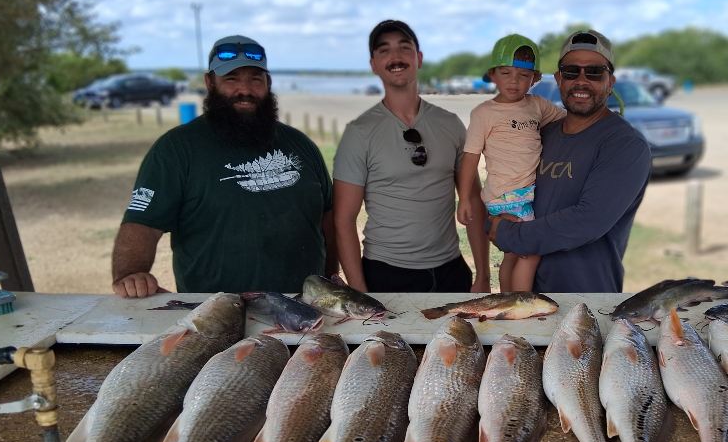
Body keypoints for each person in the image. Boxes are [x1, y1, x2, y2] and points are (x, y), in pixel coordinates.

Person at [111, 34, 336, 296]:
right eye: (231, 79)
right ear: (210, 82)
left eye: (255, 78)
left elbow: (329, 219)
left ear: (268, 83)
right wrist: (131, 274)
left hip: (305, 311)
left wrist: (329, 280)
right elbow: (143, 224)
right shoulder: (175, 150)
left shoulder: (301, 145)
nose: (245, 90)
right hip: (218, 312)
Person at [487, 29, 651, 293]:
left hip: (585, 301)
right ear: (559, 79)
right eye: (572, 71)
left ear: (610, 82)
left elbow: (586, 221)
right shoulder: (542, 134)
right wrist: (496, 216)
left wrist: (507, 234)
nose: (582, 81)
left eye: (595, 72)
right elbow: (506, 180)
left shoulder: (625, 145)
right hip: (526, 296)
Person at [333, 19, 490, 293]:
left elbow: (473, 199)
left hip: (451, 271)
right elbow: (344, 219)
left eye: (404, 47)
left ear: (418, 58)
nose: (395, 56)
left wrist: (484, 275)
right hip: (385, 274)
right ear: (373, 64)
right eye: (384, 50)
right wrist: (360, 291)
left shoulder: (450, 123)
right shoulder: (359, 133)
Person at [457, 34, 564, 291]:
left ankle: (506, 296)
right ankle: (520, 299)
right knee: (531, 251)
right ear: (493, 75)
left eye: (523, 75)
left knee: (513, 253)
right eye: (506, 73)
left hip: (528, 193)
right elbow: (470, 156)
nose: (514, 81)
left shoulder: (537, 105)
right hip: (506, 195)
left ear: (535, 79)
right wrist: (464, 199)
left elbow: (566, 122)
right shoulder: (484, 113)